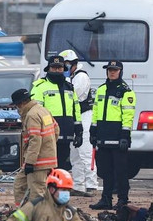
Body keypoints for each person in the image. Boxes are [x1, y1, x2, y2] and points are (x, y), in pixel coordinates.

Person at [90, 60, 137, 210]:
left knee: (121, 171)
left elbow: (128, 115)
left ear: (120, 71)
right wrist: (93, 130)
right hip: (103, 135)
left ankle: (123, 200)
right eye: (110, 69)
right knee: (105, 171)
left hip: (118, 137)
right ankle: (106, 199)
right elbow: (96, 112)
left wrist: (125, 135)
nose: (112, 72)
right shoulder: (101, 90)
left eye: (115, 70)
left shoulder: (126, 91)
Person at [31, 55, 82, 171]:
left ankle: (59, 189)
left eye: (59, 68)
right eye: (54, 67)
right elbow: (36, 112)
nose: (57, 70)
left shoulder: (69, 87)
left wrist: (79, 130)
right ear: (48, 69)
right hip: (48, 134)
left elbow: (76, 109)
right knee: (48, 167)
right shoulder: (40, 87)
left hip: (66, 133)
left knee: (62, 167)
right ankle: (48, 189)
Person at [11, 88, 59, 205]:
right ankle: (24, 213)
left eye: (17, 106)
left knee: (37, 192)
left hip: (38, 162)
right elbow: (56, 129)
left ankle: (38, 218)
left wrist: (30, 162)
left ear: (21, 103)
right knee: (20, 184)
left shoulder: (32, 115)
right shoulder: (43, 111)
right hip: (45, 158)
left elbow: (35, 139)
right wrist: (49, 147)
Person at [59, 49, 98, 195]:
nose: (64, 68)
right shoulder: (70, 77)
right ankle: (78, 185)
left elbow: (76, 96)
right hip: (74, 118)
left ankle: (91, 184)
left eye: (66, 65)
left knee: (86, 152)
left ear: (73, 63)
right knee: (74, 152)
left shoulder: (81, 77)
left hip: (84, 116)